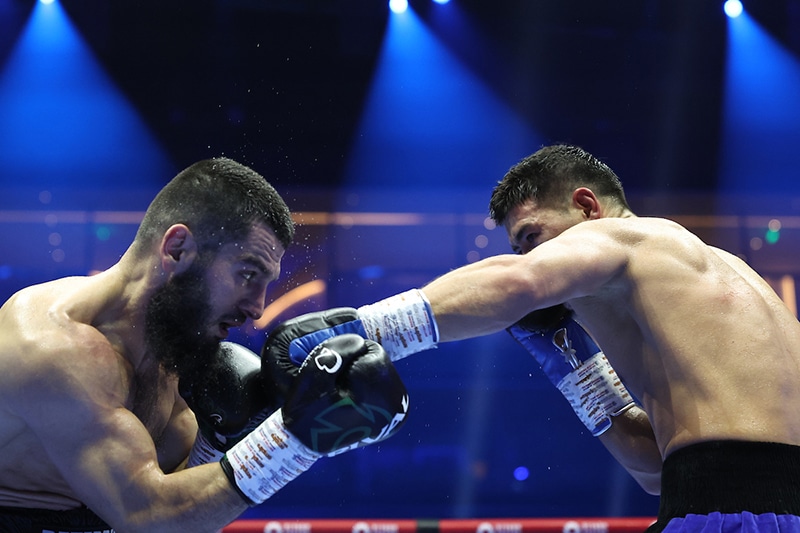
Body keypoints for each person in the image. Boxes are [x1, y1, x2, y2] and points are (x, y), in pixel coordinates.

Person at [268, 144, 800, 532]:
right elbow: (662, 473)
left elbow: (517, 282)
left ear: (588, 208)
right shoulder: (723, 281)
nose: (532, 258)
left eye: (532, 237)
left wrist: (362, 329)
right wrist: (577, 374)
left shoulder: (631, 238)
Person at [0, 158, 409, 533]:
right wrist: (297, 440)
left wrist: (221, 440)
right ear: (177, 250)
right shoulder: (53, 346)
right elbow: (150, 517)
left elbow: (188, 507)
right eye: (248, 274)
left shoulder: (174, 348)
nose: (258, 308)